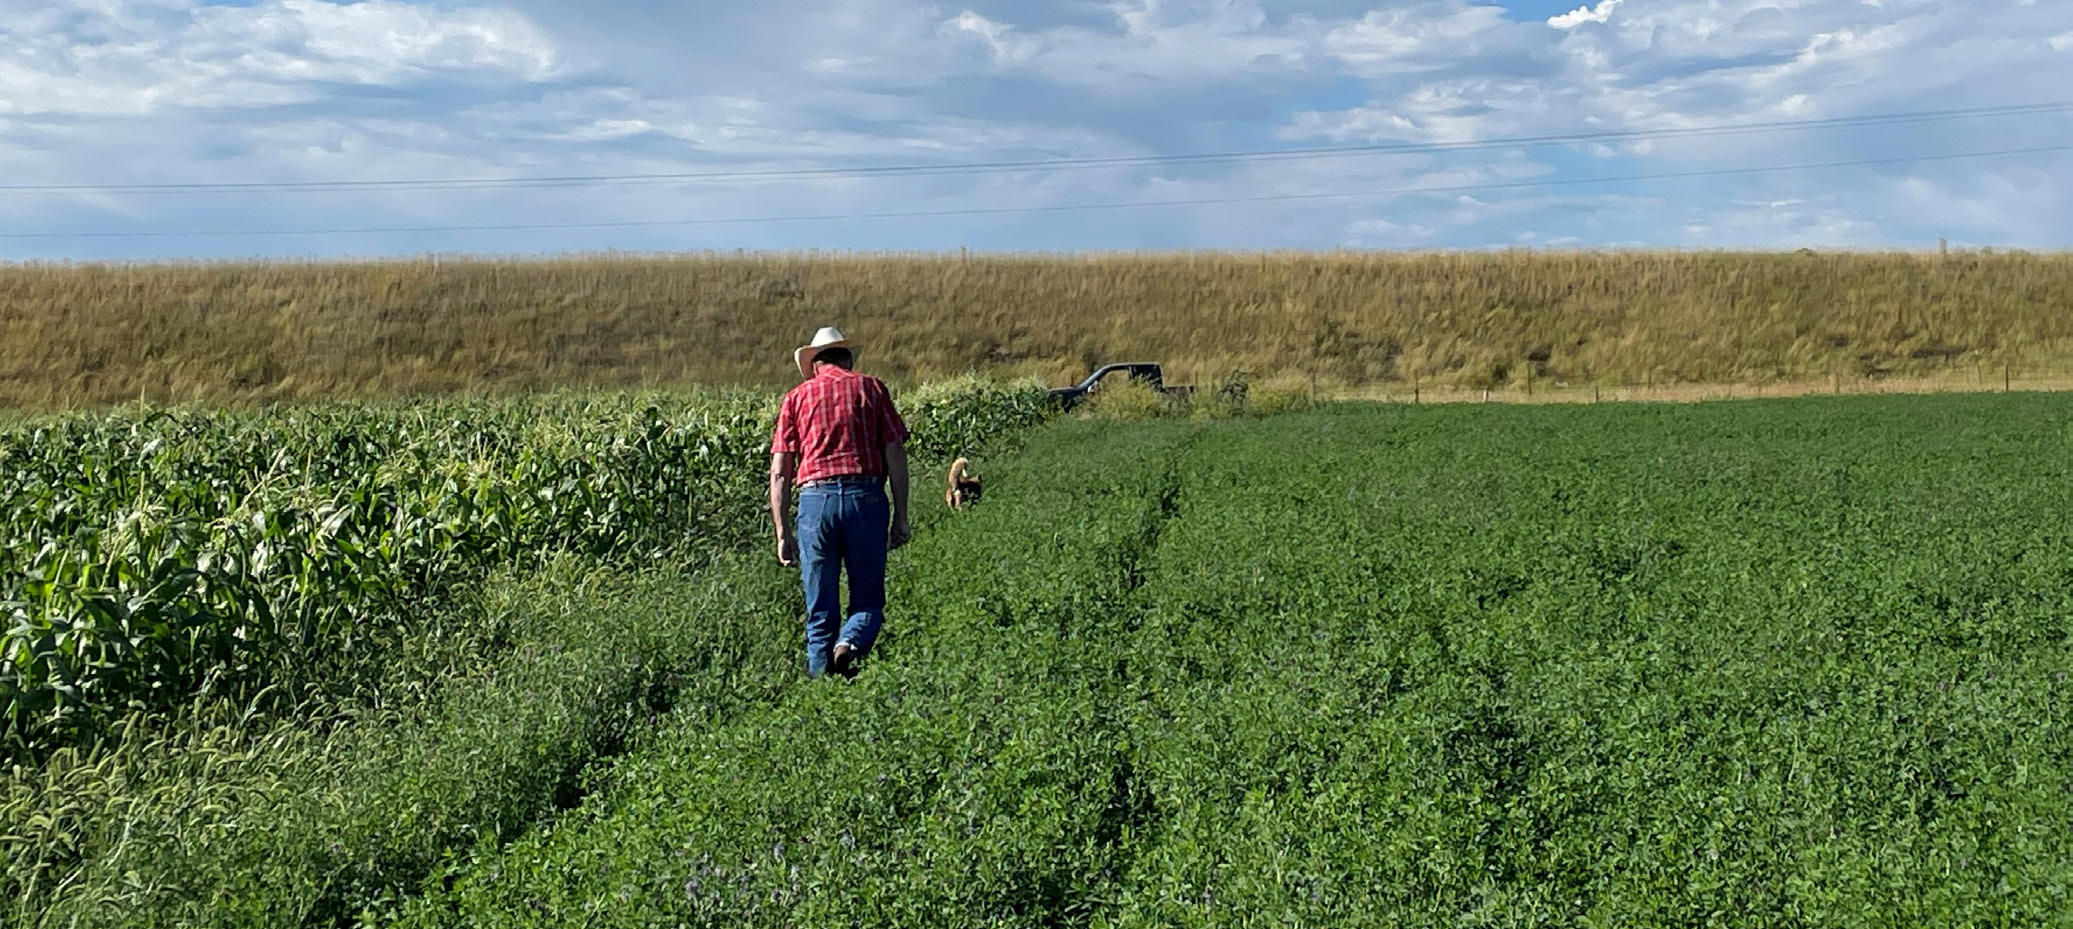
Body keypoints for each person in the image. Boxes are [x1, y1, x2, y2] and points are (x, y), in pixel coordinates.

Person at [769, 326, 912, 679]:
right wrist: (902, 517)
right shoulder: (872, 388)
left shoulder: (795, 398)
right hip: (865, 499)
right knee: (867, 602)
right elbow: (895, 452)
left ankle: (823, 697)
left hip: (815, 502)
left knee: (820, 612)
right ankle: (848, 644)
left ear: (815, 364)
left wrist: (782, 531)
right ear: (847, 360)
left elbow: (780, 471)